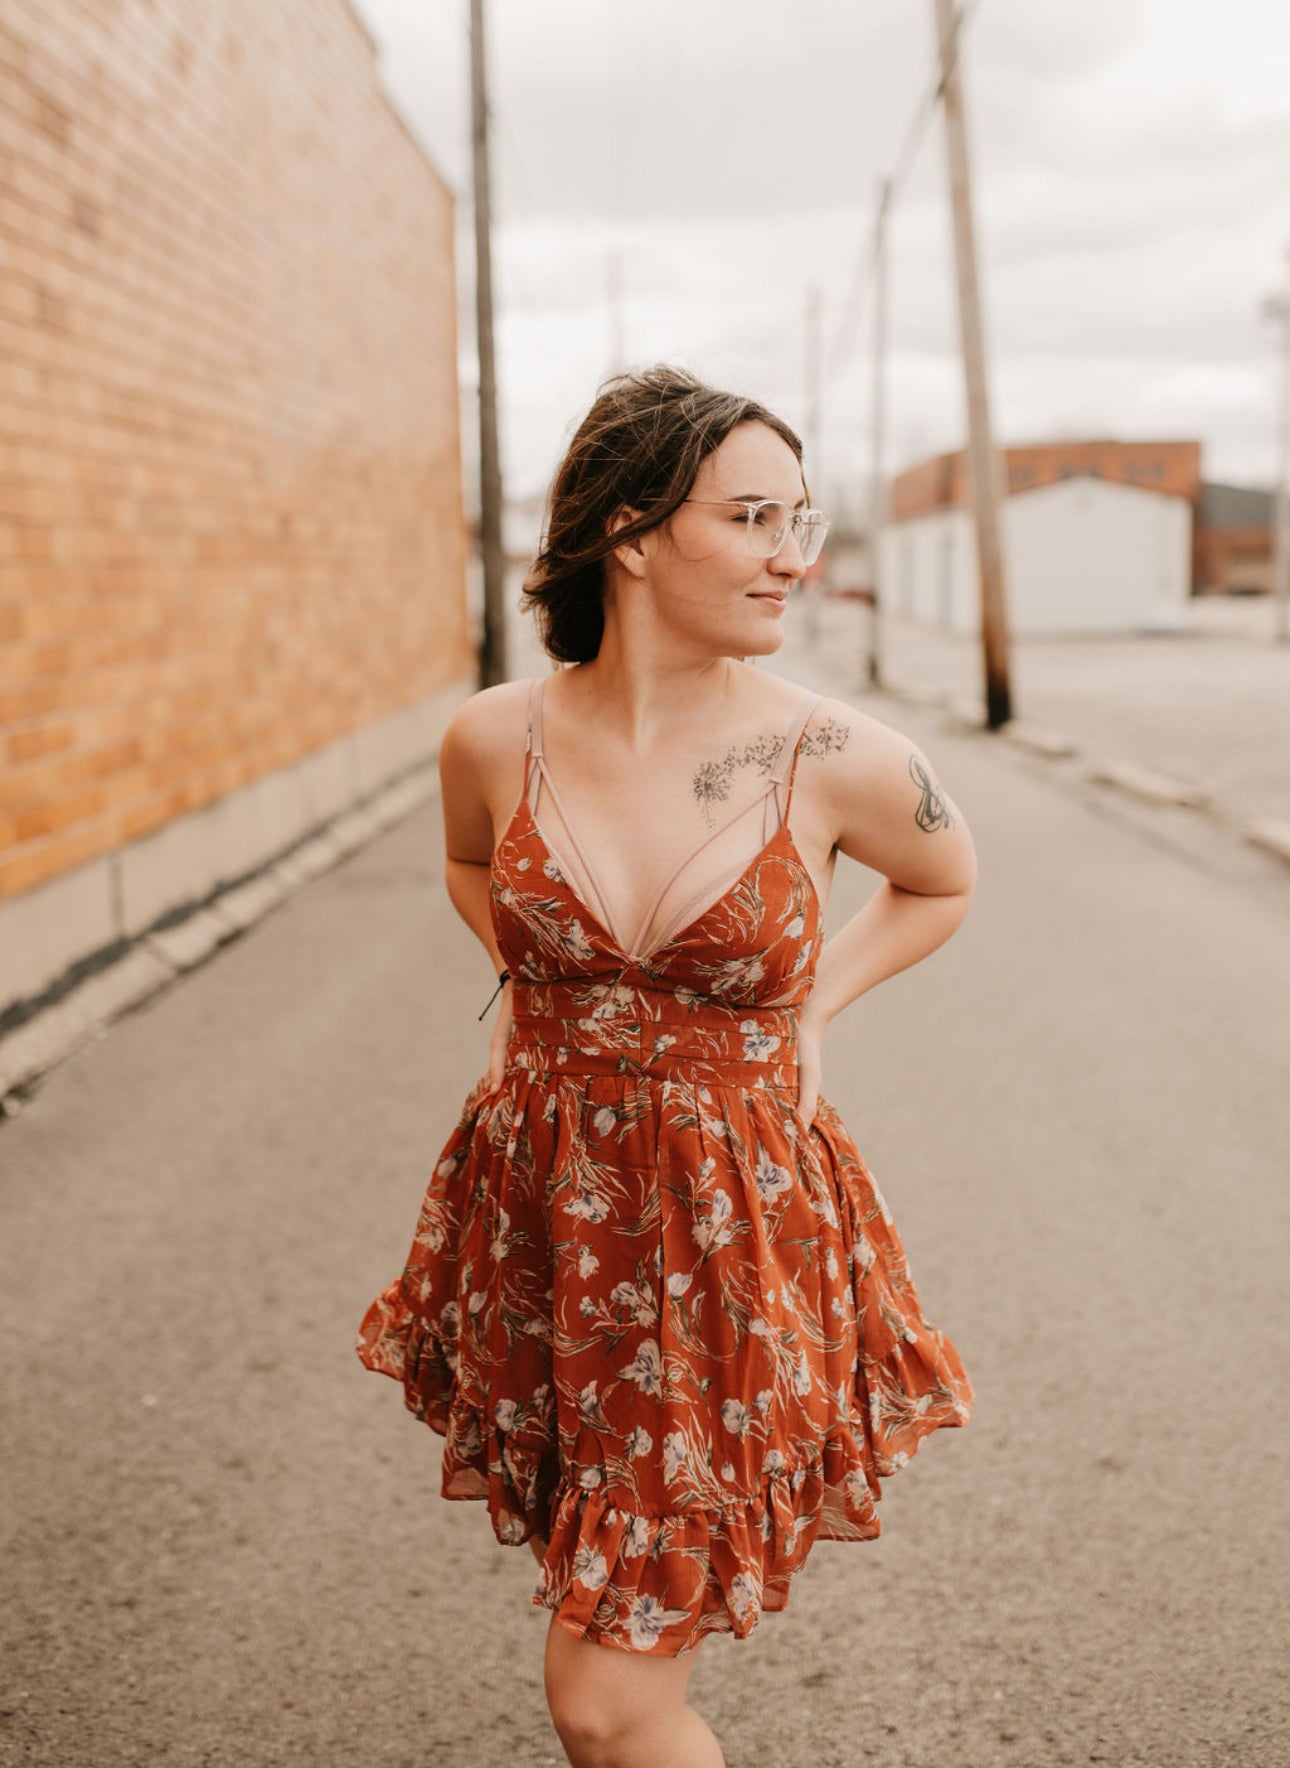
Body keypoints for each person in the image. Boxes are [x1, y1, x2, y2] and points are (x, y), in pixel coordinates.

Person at [356, 364, 976, 1768]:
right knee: (607, 1660)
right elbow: (470, 862)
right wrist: (540, 983)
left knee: (607, 1698)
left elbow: (943, 883)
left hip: (725, 1239)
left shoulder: (836, 754)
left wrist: (810, 1005)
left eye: (799, 518)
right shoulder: (491, 735)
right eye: (754, 517)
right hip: (547, 1219)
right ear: (632, 534)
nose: (793, 554)